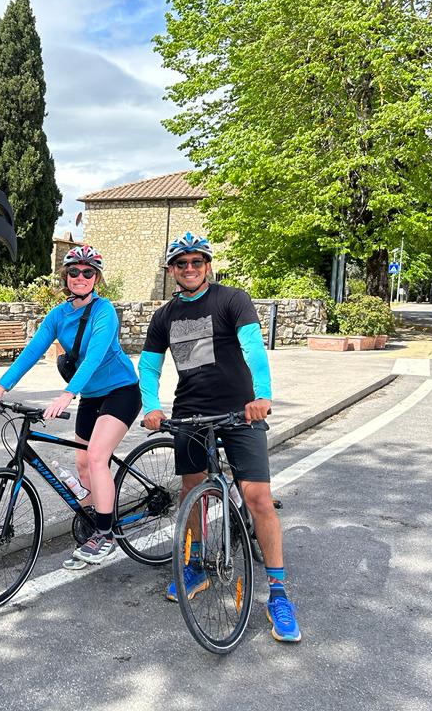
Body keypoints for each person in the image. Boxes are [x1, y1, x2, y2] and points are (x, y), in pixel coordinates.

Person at [138, 232, 301, 643]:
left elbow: (253, 349)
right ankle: (194, 564)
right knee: (190, 489)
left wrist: (261, 395)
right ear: (171, 271)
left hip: (240, 411)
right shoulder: (164, 317)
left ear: (208, 265)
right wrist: (151, 406)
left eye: (197, 262)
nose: (189, 269)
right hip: (190, 411)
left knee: (258, 497)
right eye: (181, 263)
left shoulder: (233, 299)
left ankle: (278, 594)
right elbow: (149, 367)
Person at [0, 245, 141, 568]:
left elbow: (95, 355)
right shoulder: (58, 315)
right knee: (83, 464)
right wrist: (1, 385)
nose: (80, 277)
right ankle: (97, 517)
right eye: (74, 272)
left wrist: (67, 393)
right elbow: (32, 351)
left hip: (121, 390)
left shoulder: (104, 311)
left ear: (96, 278)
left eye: (88, 272)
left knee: (96, 457)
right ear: (65, 277)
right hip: (92, 396)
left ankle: (106, 535)